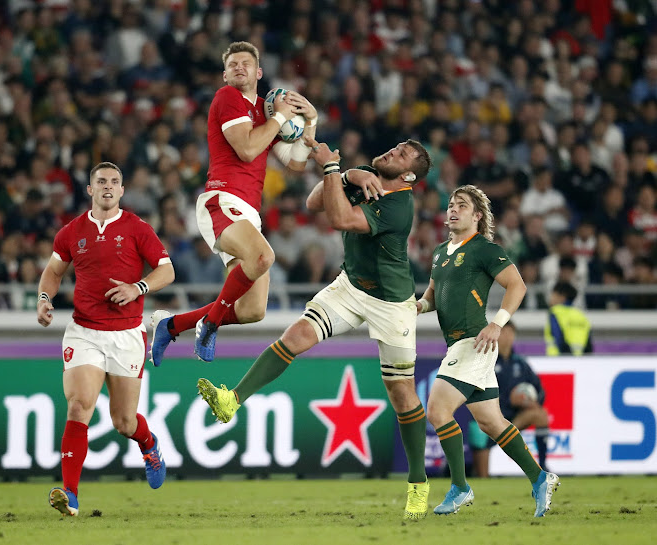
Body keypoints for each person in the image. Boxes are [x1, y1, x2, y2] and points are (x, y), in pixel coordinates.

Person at [197, 135, 435, 522]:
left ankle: (418, 482)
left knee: (401, 393)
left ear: (408, 175)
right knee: (295, 337)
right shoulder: (368, 178)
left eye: (401, 155)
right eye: (395, 147)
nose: (392, 151)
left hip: (391, 303)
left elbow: (340, 219)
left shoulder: (399, 206)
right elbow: (313, 203)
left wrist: (333, 169)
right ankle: (232, 401)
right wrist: (350, 174)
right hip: (350, 286)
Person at [149, 41, 317, 364]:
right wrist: (280, 118)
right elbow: (248, 150)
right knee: (263, 256)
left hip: (246, 214)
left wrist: (311, 121)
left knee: (253, 310)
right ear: (225, 74)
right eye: (233, 64)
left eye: (246, 63)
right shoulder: (228, 98)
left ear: (259, 72)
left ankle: (171, 325)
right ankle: (209, 324)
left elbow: (296, 165)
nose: (240, 67)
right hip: (222, 200)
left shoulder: (265, 114)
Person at [37, 162, 175, 517]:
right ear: (90, 189)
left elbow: (166, 269)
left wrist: (138, 287)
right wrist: (44, 299)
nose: (108, 186)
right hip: (84, 331)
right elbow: (53, 271)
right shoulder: (71, 232)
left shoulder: (136, 228)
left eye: (115, 181)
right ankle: (70, 494)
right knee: (80, 405)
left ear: (123, 190)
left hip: (127, 334)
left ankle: (147, 443)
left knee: (123, 421)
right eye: (101, 181)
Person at [417, 185, 559, 518]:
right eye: (451, 205)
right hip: (459, 344)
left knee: (437, 411)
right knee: (492, 423)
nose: (453, 210)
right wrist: (418, 305)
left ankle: (460, 487)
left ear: (477, 216)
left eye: (462, 206)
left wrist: (497, 322)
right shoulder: (440, 252)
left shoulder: (483, 248)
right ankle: (540, 478)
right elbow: (434, 296)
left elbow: (518, 285)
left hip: (474, 342)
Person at [468, 321, 550, 478]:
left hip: (513, 418)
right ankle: (478, 472)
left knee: (540, 414)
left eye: (511, 333)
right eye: (503, 332)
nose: (507, 337)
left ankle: (543, 465)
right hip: (489, 416)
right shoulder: (485, 360)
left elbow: (540, 391)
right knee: (481, 475)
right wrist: (509, 399)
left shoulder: (521, 363)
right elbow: (475, 391)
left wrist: (529, 402)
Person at [545, 281, 593, 355]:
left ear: (562, 297)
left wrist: (568, 358)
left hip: (558, 361)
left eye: (553, 295)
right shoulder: (581, 315)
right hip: (581, 362)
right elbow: (588, 345)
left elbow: (558, 337)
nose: (551, 298)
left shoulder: (555, 312)